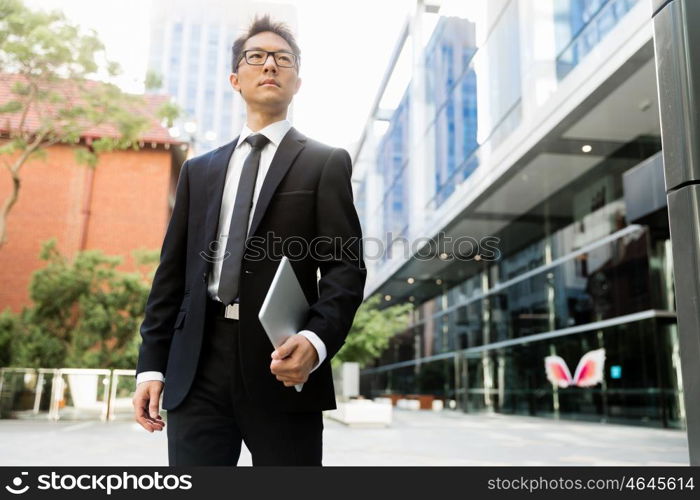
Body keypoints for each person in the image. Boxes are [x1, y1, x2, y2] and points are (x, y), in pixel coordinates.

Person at [131, 14, 366, 466]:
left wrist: (316, 342)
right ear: (236, 79)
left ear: (297, 80)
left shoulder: (325, 162)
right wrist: (152, 364)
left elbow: (345, 268)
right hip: (196, 364)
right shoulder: (198, 171)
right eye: (256, 58)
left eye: (283, 59)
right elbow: (171, 276)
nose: (270, 66)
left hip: (282, 363)